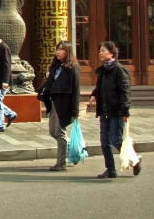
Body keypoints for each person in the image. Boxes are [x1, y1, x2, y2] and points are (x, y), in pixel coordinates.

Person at [90, 41, 142, 179]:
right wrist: (94, 95)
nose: (100, 53)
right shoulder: (102, 70)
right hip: (104, 110)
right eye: (100, 50)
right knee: (104, 141)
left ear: (112, 53)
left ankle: (134, 159)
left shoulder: (119, 69)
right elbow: (100, 87)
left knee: (116, 140)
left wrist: (125, 111)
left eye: (103, 50)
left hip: (116, 111)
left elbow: (125, 91)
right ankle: (110, 169)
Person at [42, 41, 81, 171]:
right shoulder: (56, 66)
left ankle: (61, 163)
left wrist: (75, 111)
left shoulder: (72, 68)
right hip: (53, 102)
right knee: (53, 131)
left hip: (64, 104)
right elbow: (52, 83)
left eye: (61, 49)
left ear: (68, 51)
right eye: (57, 49)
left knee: (60, 132)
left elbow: (76, 90)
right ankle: (75, 148)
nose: (58, 52)